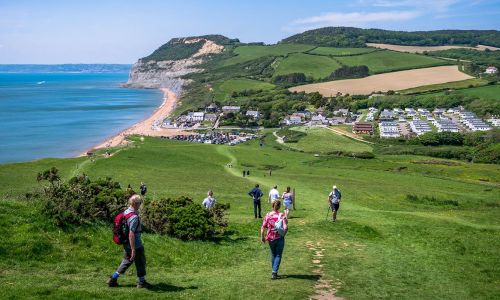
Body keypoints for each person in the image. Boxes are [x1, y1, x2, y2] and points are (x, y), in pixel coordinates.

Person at [108, 195, 151, 288]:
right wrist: (133, 249)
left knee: (127, 261)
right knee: (140, 262)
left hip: (126, 242)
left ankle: (113, 278)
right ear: (135, 204)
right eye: (140, 203)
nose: (140, 205)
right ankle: (141, 282)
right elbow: (131, 233)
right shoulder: (134, 217)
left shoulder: (126, 212)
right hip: (135, 244)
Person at [260, 200, 288, 280]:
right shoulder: (281, 215)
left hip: (270, 238)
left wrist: (262, 236)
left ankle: (274, 271)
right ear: (279, 207)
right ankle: (274, 272)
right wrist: (286, 218)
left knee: (273, 254)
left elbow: (263, 227)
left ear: (272, 206)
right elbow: (285, 227)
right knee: (278, 255)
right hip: (279, 237)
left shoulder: (268, 215)